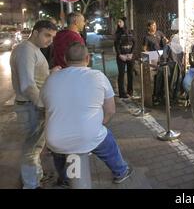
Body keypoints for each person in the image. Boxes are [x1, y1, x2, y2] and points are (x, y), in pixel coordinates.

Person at [41, 42, 133, 186]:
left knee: (58, 151)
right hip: (87, 135)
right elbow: (110, 111)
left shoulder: (51, 78)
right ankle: (121, 171)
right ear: (88, 58)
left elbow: (47, 107)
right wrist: (98, 124)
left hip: (55, 138)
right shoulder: (98, 76)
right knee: (107, 141)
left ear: (65, 59)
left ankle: (65, 179)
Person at [10, 20, 59, 189]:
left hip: (32, 106)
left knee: (35, 147)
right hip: (30, 107)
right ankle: (31, 184)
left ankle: (35, 178)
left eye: (52, 37)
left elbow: (36, 78)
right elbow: (27, 84)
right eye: (47, 35)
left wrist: (51, 73)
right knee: (31, 149)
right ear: (35, 32)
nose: (50, 40)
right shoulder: (26, 50)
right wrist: (43, 106)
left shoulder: (33, 50)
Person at [114, 18, 135, 99]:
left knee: (130, 74)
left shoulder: (130, 32)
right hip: (121, 57)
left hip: (130, 56)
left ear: (124, 23)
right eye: (118, 22)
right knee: (121, 74)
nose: (118, 23)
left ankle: (130, 91)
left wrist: (131, 53)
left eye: (120, 21)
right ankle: (122, 93)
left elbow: (134, 43)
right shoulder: (117, 33)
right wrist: (120, 55)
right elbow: (116, 45)